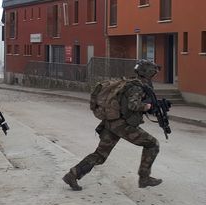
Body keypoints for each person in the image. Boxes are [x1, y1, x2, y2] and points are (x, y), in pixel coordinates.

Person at [63, 59, 162, 191]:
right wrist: (147, 106)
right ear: (148, 73)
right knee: (152, 144)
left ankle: (73, 174)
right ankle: (144, 178)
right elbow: (133, 105)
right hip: (122, 125)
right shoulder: (137, 87)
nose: (154, 76)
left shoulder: (129, 82)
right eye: (153, 73)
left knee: (100, 155)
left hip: (111, 123)